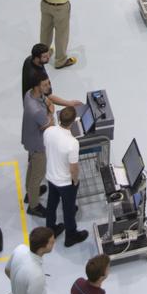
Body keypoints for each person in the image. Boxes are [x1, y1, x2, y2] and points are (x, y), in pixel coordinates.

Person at [44, 106, 88, 247]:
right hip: (65, 182)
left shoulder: (48, 131)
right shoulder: (72, 143)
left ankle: (50, 229)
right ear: (74, 121)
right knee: (68, 210)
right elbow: (73, 168)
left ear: (59, 118)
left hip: (51, 176)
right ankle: (71, 236)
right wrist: (75, 181)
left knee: (51, 204)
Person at [22, 73, 54, 217]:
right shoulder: (37, 111)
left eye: (48, 83)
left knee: (32, 166)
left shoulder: (29, 94)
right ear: (37, 86)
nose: (48, 87)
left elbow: (45, 101)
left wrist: (47, 104)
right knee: (38, 174)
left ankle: (30, 194)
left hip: (29, 139)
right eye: (45, 85)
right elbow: (49, 125)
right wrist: (51, 112)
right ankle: (33, 206)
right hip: (38, 145)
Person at [22, 43, 79, 108]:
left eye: (48, 54)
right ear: (37, 58)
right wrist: (69, 103)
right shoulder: (38, 77)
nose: (48, 57)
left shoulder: (29, 59)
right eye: (45, 56)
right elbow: (49, 96)